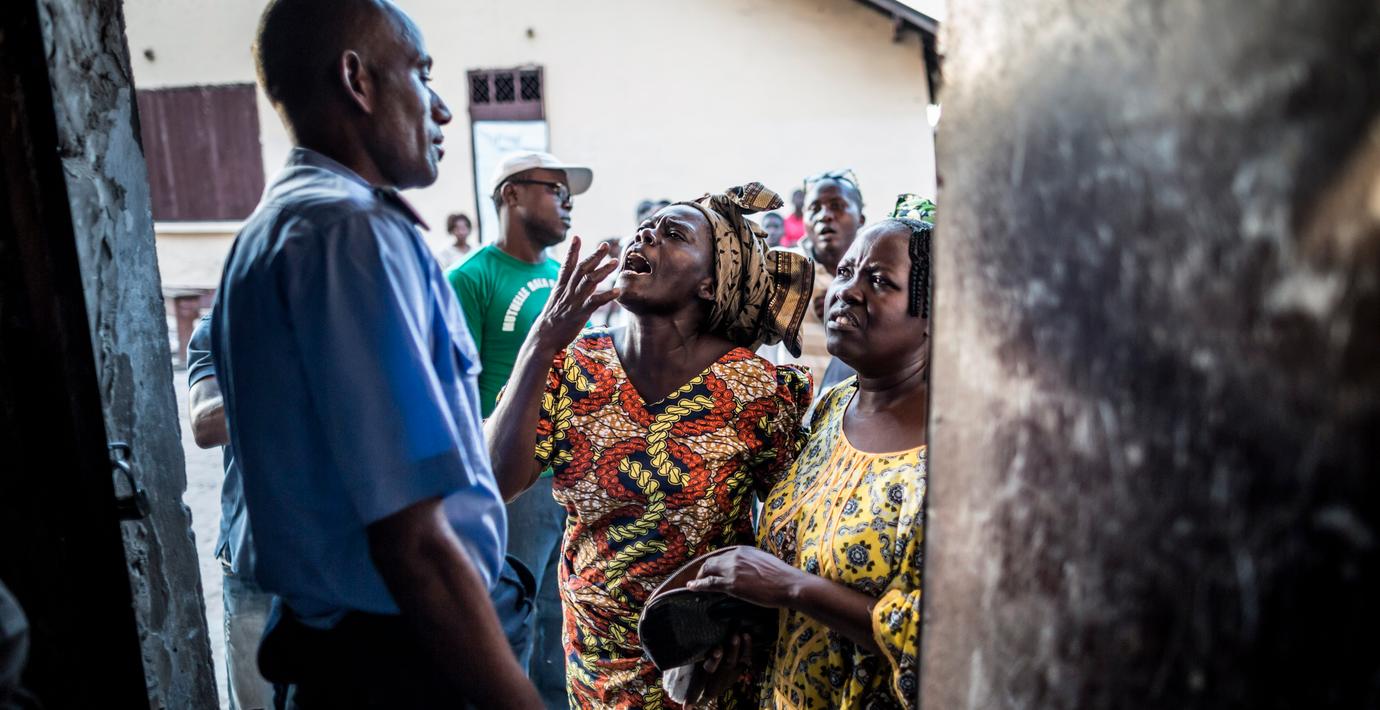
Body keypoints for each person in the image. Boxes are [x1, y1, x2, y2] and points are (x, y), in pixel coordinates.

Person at [211, 1, 540, 707]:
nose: (442, 110)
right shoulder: (351, 234)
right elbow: (412, 539)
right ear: (357, 81)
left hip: (347, 646)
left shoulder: (275, 226)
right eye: (422, 75)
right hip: (404, 656)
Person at [487, 183, 816, 708]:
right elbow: (494, 481)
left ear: (710, 283)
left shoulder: (756, 390)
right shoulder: (575, 366)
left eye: (674, 234)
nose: (647, 235)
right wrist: (542, 341)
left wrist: (749, 625)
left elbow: (790, 533)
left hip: (704, 663)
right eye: (646, 227)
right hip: (593, 663)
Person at [686, 201, 933, 709]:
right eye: (845, 272)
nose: (848, 291)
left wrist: (792, 588)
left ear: (936, 315)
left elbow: (935, 638)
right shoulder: (831, 407)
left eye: (879, 281)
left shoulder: (950, 453)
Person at [448, 149, 593, 709]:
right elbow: (454, 391)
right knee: (511, 617)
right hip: (510, 484)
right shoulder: (470, 279)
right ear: (511, 193)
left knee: (562, 618)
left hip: (571, 478)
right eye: (555, 189)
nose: (567, 203)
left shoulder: (560, 276)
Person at [186, 314, 273, 710]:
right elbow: (205, 425)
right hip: (252, 557)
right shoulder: (219, 325)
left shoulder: (342, 315)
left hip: (341, 563)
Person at [804, 169, 866, 392]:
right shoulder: (781, 268)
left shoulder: (876, 279)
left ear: (860, 219)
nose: (825, 215)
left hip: (850, 409)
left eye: (837, 206)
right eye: (814, 208)